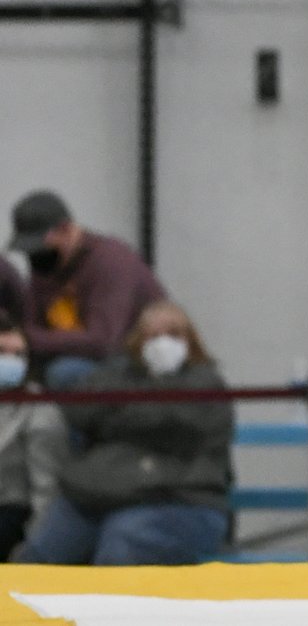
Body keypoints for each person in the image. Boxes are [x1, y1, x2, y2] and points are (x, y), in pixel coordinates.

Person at [17, 300, 233, 565]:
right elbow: (80, 409)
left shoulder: (207, 383)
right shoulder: (115, 373)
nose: (162, 343)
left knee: (121, 545)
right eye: (152, 336)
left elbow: (176, 423)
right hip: (96, 494)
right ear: (137, 341)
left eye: (173, 334)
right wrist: (141, 409)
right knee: (38, 555)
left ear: (191, 340)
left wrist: (118, 414)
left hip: (177, 500)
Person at [7, 190, 166, 389]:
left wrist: (29, 339)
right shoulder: (48, 266)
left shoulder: (111, 262)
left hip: (136, 361)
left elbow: (102, 341)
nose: (35, 257)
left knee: (65, 372)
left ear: (66, 230)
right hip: (79, 354)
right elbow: (31, 323)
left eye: (40, 247)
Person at [0, 311, 69, 560]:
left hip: (10, 511)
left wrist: (31, 553)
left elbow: (47, 491)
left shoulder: (40, 410)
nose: (11, 361)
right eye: (2, 352)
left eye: (19, 354)